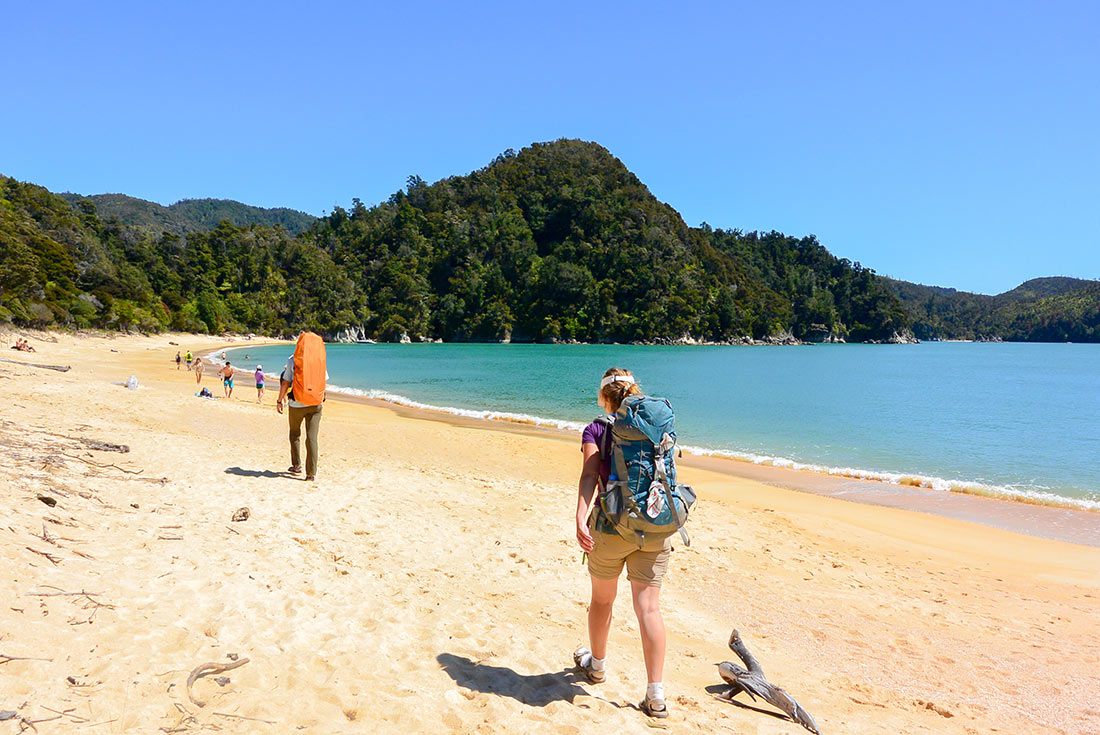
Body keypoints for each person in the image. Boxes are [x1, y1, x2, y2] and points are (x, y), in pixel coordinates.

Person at [573, 367, 672, 719]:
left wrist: (580, 516)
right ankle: (656, 694)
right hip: (655, 526)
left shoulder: (597, 428)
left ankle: (597, 666)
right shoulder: (656, 424)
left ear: (604, 397)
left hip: (612, 526)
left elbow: (589, 474)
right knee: (649, 608)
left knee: (602, 599)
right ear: (634, 390)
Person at [276, 333, 327, 482]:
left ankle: (296, 465)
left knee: (294, 434)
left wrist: (280, 400)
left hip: (296, 404)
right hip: (315, 405)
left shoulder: (293, 360)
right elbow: (323, 382)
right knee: (312, 438)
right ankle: (311, 474)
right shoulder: (320, 360)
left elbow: (286, 382)